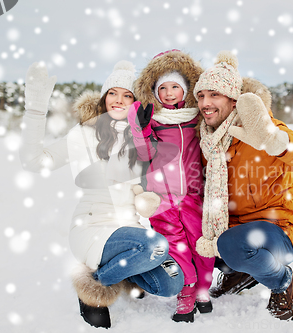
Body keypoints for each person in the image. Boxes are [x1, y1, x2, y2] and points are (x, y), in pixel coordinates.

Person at [19, 61, 184, 329]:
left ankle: (125, 270)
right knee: (156, 245)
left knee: (171, 283)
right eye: (113, 93)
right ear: (104, 97)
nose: (119, 100)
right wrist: (36, 110)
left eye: (127, 95)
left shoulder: (142, 138)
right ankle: (95, 284)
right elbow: (34, 162)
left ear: (135, 101)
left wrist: (146, 198)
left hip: (131, 229)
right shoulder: (85, 133)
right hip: (94, 227)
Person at [193, 51, 293, 321]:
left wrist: (279, 143)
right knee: (195, 236)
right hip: (233, 232)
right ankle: (239, 270)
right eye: (201, 96)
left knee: (232, 244)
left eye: (214, 94)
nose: (205, 103)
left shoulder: (264, 131)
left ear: (233, 99)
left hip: (279, 231)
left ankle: (282, 282)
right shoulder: (208, 144)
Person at [127, 50, 215, 323]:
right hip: (161, 197)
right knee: (175, 247)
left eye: (174, 86)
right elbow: (143, 154)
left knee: (201, 244)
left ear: (185, 90)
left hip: (193, 194)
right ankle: (186, 292)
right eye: (162, 87)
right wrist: (139, 128)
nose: (168, 92)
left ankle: (203, 289)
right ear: (154, 91)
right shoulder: (152, 120)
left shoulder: (195, 118)